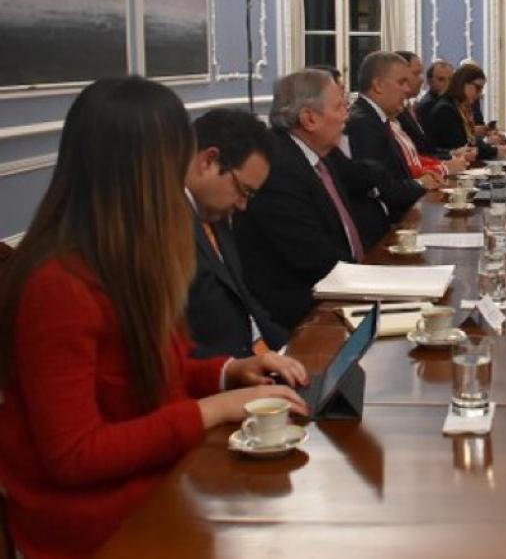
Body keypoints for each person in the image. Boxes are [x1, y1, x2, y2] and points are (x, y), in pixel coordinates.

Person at [0, 77, 308, 558]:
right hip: (100, 524)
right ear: (138, 174)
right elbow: (73, 455)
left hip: (158, 485)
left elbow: (146, 372)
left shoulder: (122, 257)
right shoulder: (58, 283)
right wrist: (211, 410)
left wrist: (228, 374)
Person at [235, 69, 367, 330]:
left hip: (339, 290)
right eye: (340, 107)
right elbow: (312, 258)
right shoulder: (279, 167)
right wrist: (382, 282)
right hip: (305, 315)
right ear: (309, 118)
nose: (346, 115)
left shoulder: (316, 153)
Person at [185, 109, 290, 359]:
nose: (243, 205)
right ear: (209, 161)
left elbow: (244, 302)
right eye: (243, 191)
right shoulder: (165, 226)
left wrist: (290, 351)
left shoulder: (214, 213)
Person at [342, 51, 440, 246]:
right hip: (380, 235)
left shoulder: (377, 118)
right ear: (378, 85)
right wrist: (421, 184)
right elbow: (384, 188)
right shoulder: (363, 123)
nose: (407, 89)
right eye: (401, 82)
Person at [424, 64, 506, 161]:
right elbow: (463, 147)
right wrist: (497, 150)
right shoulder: (445, 109)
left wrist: (491, 144)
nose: (479, 94)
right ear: (463, 84)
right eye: (478, 88)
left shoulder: (461, 106)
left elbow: (471, 141)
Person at [417, 59, 454, 132]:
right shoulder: (428, 105)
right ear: (430, 82)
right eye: (441, 79)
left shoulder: (451, 100)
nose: (447, 84)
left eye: (450, 79)